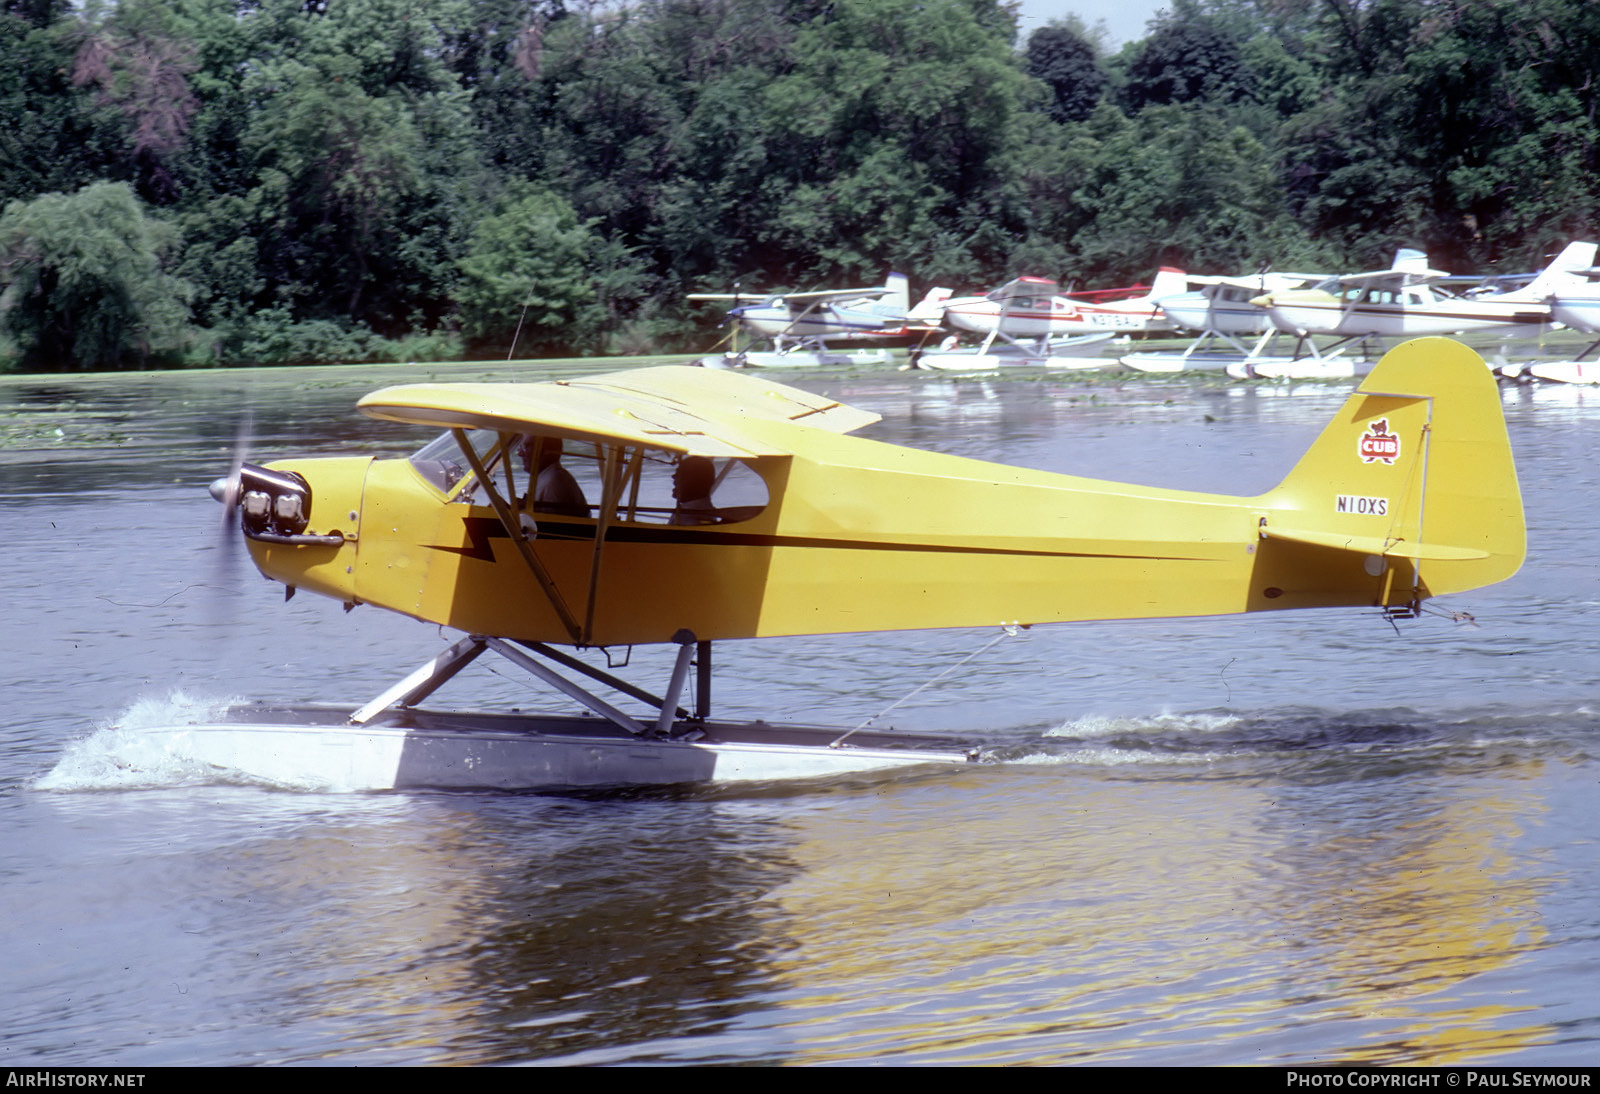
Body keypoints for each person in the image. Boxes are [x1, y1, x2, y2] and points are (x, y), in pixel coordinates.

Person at [520, 437, 589, 518]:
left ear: (546, 451)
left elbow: (552, 526)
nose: (520, 453)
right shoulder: (547, 476)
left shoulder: (554, 481)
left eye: (526, 447)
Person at [671, 455, 718, 524]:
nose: (674, 477)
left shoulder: (690, 519)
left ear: (696, 481)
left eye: (681, 474)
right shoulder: (686, 512)